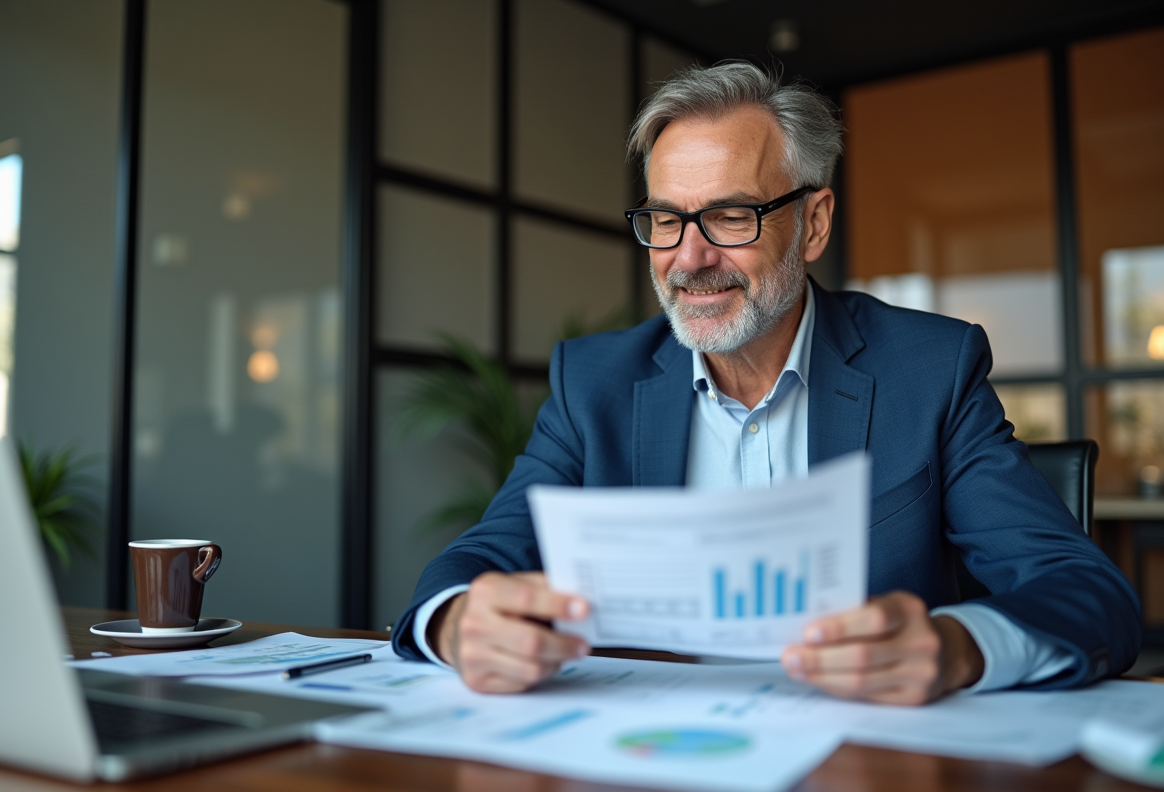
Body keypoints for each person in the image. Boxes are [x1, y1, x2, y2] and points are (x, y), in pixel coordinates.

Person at [390, 62, 1141, 704]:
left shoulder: (930, 371)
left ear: (813, 225)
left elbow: (1087, 592)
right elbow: (474, 562)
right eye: (664, 220)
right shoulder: (594, 384)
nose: (688, 259)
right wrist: (459, 622)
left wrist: (954, 648)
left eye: (729, 216)